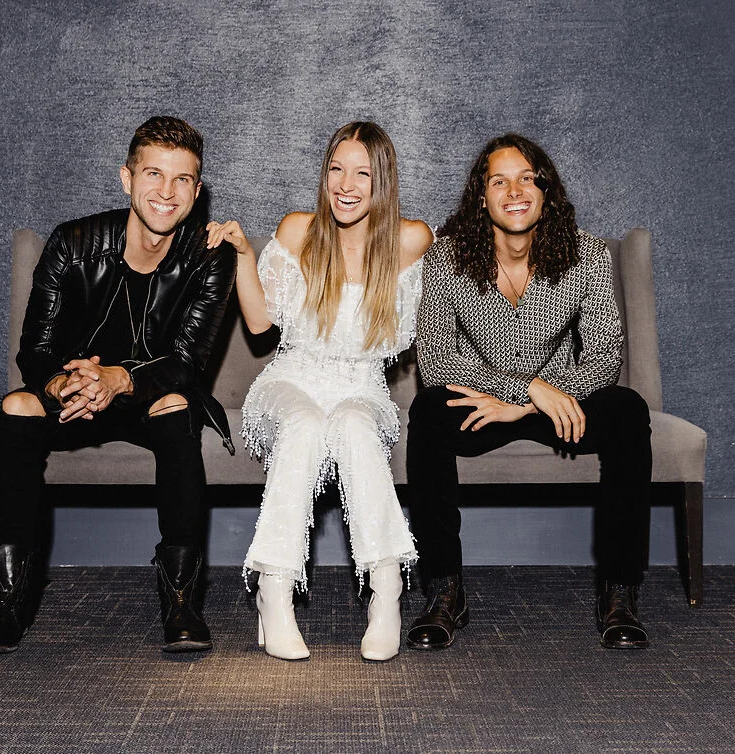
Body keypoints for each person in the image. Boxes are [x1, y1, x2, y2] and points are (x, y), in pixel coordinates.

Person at [0, 116, 237, 654]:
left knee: (176, 403)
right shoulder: (72, 243)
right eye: (153, 174)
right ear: (126, 178)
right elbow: (35, 349)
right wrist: (64, 383)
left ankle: (181, 600)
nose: (166, 192)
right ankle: (10, 600)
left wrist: (120, 380)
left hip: (148, 396)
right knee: (17, 405)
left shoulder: (210, 257)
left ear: (196, 190)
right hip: (72, 395)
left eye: (182, 179)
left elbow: (187, 362)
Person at [406, 133, 652, 651]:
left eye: (526, 179)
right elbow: (435, 360)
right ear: (482, 197)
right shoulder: (448, 256)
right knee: (428, 409)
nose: (514, 191)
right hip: (485, 405)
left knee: (628, 409)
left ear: (545, 190)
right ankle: (445, 591)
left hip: (562, 405)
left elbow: (605, 354)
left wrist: (534, 402)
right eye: (499, 182)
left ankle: (619, 593)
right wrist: (526, 390)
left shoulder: (585, 253)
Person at [207, 121, 433, 661]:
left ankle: (386, 593)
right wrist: (243, 253)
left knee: (354, 425)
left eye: (362, 173)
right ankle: (275, 591)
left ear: (383, 181)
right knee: (305, 424)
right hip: (292, 379)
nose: (346, 185)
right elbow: (259, 325)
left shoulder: (410, 241)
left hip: (361, 386)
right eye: (336, 169)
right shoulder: (298, 230)